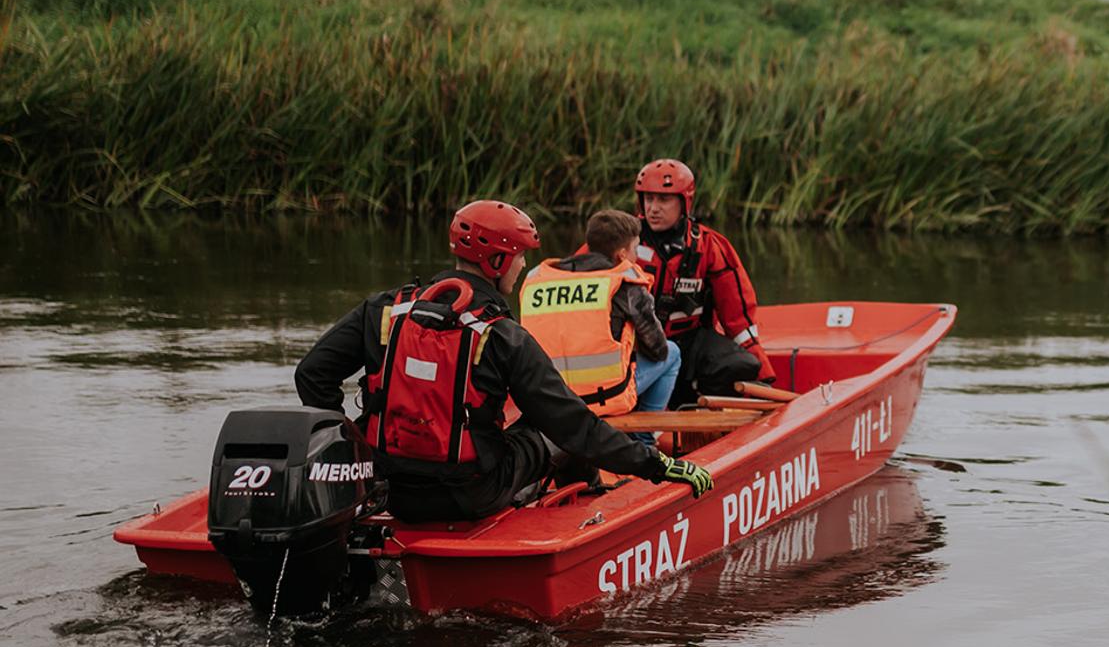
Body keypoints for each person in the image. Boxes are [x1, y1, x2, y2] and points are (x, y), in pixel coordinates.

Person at [294, 200, 713, 523]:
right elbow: (576, 428)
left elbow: (311, 375)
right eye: (519, 256)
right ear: (496, 262)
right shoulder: (503, 334)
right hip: (472, 495)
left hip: (390, 490)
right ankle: (581, 511)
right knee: (552, 429)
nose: (524, 265)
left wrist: (354, 459)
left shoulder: (384, 310)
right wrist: (659, 466)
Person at [519, 209, 680, 448]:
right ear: (622, 254)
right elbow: (658, 350)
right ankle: (643, 439)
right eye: (636, 249)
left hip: (548, 399)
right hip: (602, 398)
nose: (637, 256)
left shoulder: (538, 281)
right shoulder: (624, 284)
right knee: (673, 352)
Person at [630, 159, 777, 407]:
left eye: (663, 200)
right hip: (634, 345)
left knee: (740, 365)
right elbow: (581, 272)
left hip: (688, 343)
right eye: (648, 199)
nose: (653, 208)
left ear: (684, 202)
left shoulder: (709, 246)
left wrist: (763, 374)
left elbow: (738, 317)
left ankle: (709, 425)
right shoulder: (621, 239)